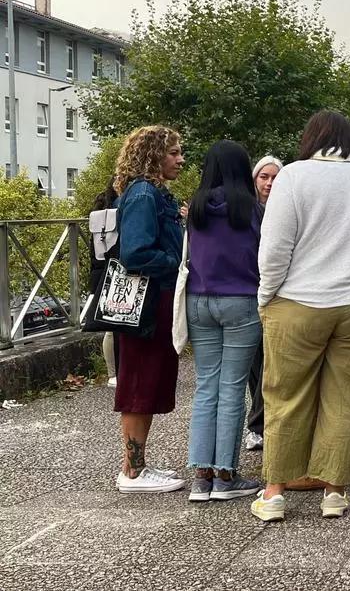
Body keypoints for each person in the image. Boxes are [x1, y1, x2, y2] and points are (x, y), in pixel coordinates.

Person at [251, 110, 350, 522]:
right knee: (347, 396)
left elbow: (274, 249)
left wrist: (266, 297)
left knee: (285, 395)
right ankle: (334, 491)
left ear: (311, 139)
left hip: (297, 301)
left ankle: (274, 494)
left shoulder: (294, 176)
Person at [184, 140, 264, 502]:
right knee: (232, 386)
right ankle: (226, 476)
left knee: (206, 386)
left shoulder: (196, 208)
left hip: (199, 300)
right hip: (241, 301)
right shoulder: (251, 209)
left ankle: (201, 476)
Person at [111, 125, 187, 494]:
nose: (180, 159)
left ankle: (137, 466)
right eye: (174, 153)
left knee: (147, 381)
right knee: (140, 383)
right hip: (147, 302)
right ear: (154, 155)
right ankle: (132, 471)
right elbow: (135, 252)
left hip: (152, 299)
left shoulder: (147, 192)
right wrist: (175, 261)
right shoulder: (144, 194)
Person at [243, 155, 283, 453]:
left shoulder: (285, 210)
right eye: (264, 177)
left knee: (270, 360)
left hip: (278, 294)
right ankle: (259, 422)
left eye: (274, 177)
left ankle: (257, 423)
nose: (269, 183)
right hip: (250, 290)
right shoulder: (246, 210)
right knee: (256, 362)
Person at [87, 179, 121, 389]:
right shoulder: (122, 209)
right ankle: (116, 372)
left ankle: (112, 374)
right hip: (115, 268)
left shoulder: (98, 212)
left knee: (110, 326)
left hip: (99, 269)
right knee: (115, 326)